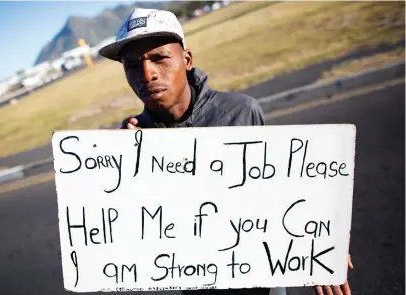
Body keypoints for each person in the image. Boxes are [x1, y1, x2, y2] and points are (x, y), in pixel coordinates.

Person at [99, 8, 353, 295]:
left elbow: (279, 186)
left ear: (187, 59)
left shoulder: (240, 111)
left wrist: (318, 239)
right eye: (132, 65)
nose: (147, 73)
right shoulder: (130, 141)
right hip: (197, 280)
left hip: (259, 280)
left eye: (159, 57)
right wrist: (120, 175)